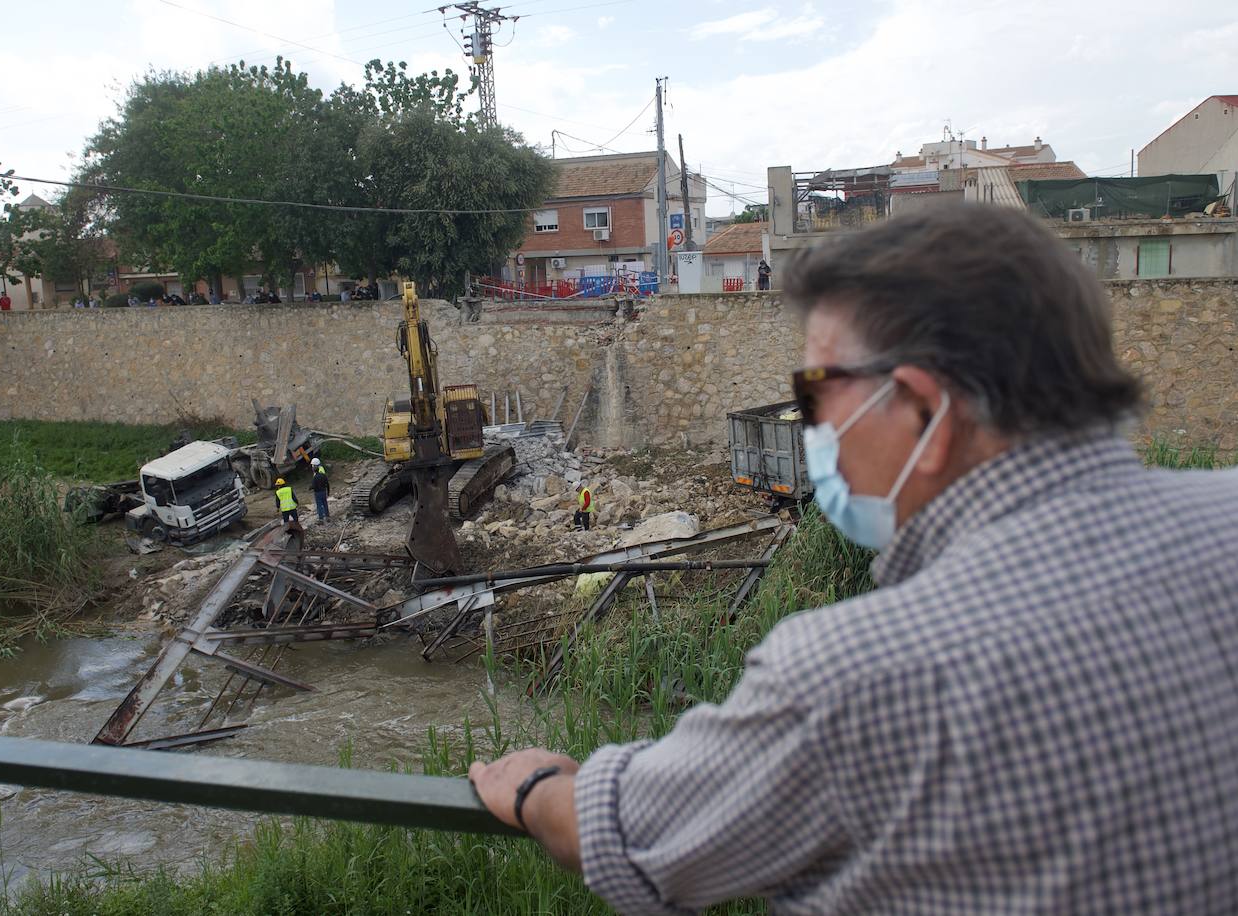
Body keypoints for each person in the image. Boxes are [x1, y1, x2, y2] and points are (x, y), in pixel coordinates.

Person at [468, 204, 1238, 912]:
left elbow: (623, 831)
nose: (812, 431)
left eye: (814, 395)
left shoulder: (847, 675)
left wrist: (535, 784)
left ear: (924, 412)